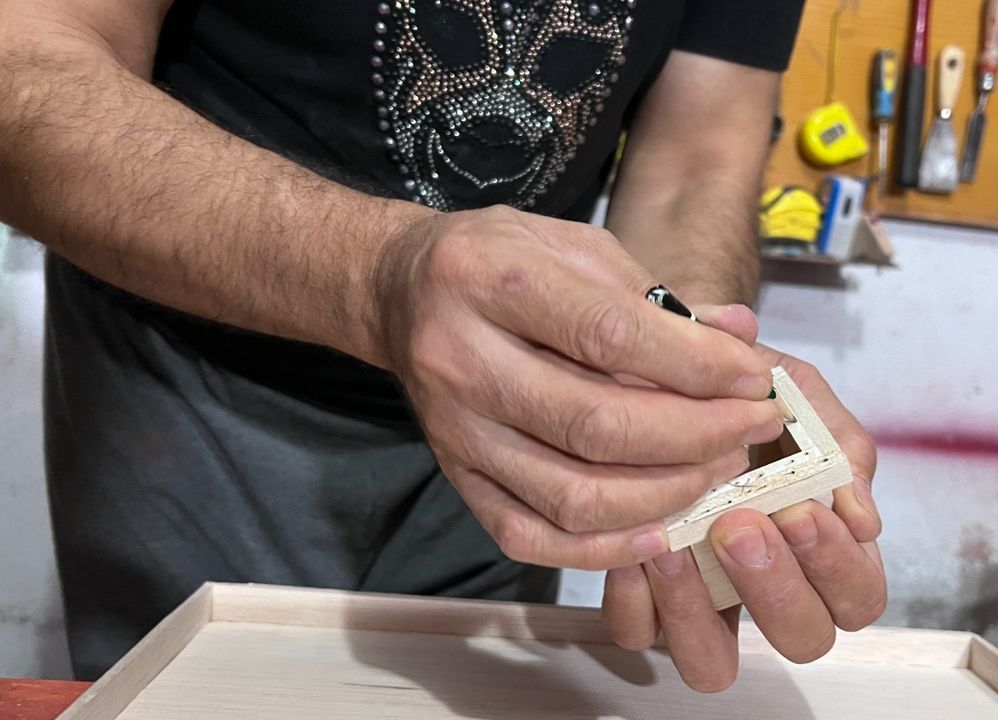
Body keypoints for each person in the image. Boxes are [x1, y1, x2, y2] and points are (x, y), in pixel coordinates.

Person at [0, 0, 886, 691]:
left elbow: (697, 158)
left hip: (522, 411)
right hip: (192, 382)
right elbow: (26, 61)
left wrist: (687, 385)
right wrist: (378, 275)